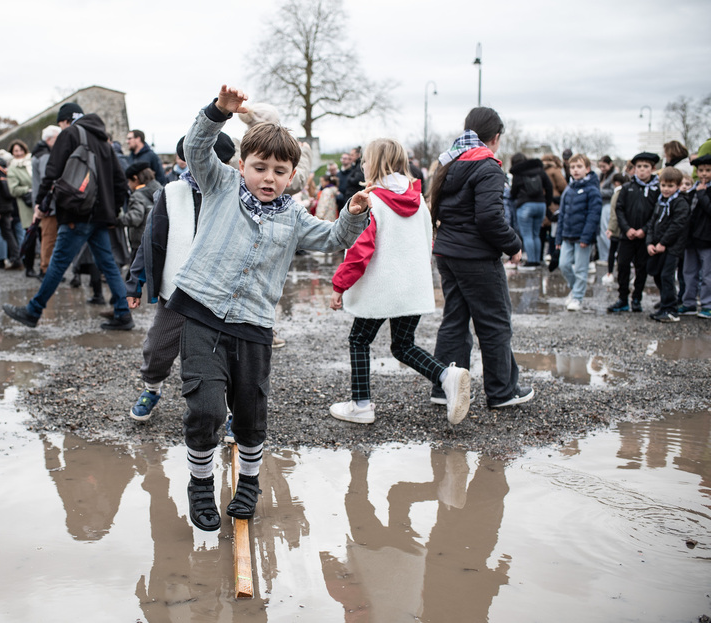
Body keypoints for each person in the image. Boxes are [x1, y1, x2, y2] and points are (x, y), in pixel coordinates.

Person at [173, 85, 369, 532]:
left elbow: (334, 238)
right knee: (204, 408)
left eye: (279, 171)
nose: (267, 177)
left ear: (291, 175)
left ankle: (248, 483)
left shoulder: (295, 217)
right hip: (202, 313)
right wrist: (218, 112)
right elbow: (196, 146)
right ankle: (201, 484)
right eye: (259, 167)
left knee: (250, 413)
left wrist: (354, 213)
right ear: (241, 165)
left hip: (254, 326)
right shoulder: (219, 183)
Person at [327, 138, 471, 426]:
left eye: (365, 161)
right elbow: (427, 241)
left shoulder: (372, 201)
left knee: (359, 339)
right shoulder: (418, 200)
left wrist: (339, 285)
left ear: (375, 164)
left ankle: (361, 404)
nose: (363, 166)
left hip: (382, 288)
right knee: (403, 345)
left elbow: (360, 250)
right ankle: (446, 375)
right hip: (412, 287)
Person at [123, 132, 237, 421]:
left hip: (220, 293)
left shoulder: (237, 191)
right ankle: (152, 388)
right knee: (158, 346)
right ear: (186, 159)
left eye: (214, 160)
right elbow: (151, 240)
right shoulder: (171, 193)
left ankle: (227, 407)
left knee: (221, 354)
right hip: (177, 290)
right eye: (196, 158)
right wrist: (135, 283)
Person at [428, 107, 534, 409]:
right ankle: (502, 392)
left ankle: (442, 386)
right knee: (495, 322)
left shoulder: (448, 160)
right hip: (475, 257)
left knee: (455, 320)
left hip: (448, 252)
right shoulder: (487, 166)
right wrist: (514, 245)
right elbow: (489, 218)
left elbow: (436, 206)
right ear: (495, 137)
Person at [2, 102, 132, 330]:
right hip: (100, 215)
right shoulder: (104, 141)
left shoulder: (69, 134)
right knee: (108, 265)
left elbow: (52, 172)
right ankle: (123, 313)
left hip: (76, 211)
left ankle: (33, 311)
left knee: (58, 263)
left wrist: (41, 204)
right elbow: (120, 181)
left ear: (64, 121)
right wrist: (113, 211)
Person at [609, 152, 660, 313]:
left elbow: (656, 213)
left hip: (644, 237)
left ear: (652, 168)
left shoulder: (657, 189)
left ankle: (637, 297)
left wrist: (644, 230)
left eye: (646, 167)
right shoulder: (627, 188)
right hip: (627, 235)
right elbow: (619, 209)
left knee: (641, 268)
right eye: (639, 166)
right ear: (634, 168)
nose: (642, 170)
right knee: (623, 265)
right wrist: (627, 229)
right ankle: (622, 298)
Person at [555, 154, 602, 311]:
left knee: (581, 269)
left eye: (579, 167)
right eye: (573, 167)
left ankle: (577, 297)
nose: (575, 170)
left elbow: (594, 215)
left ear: (587, 169)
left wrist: (587, 236)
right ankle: (575, 289)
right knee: (564, 265)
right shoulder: (568, 190)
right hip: (567, 236)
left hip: (582, 237)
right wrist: (558, 238)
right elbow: (562, 215)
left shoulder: (592, 190)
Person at [646, 167, 690, 322]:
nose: (666, 189)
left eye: (670, 186)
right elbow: (652, 223)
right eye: (663, 185)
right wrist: (650, 242)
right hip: (658, 245)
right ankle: (665, 305)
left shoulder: (680, 203)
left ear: (678, 186)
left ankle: (671, 310)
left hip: (672, 247)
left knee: (667, 276)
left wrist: (664, 242)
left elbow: (677, 226)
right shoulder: (661, 201)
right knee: (657, 274)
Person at [679, 154, 711, 318]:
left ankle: (707, 305)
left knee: (707, 275)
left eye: (708, 170)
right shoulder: (693, 189)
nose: (704, 174)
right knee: (689, 272)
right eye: (701, 170)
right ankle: (689, 303)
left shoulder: (702, 191)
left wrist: (702, 195)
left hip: (707, 239)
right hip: (691, 239)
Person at [509, 152, 553, 269]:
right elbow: (549, 187)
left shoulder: (518, 173)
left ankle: (531, 262)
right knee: (536, 234)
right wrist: (546, 202)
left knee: (527, 235)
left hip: (525, 205)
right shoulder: (539, 170)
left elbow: (513, 192)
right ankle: (537, 260)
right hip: (541, 205)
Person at [31, 125, 62, 278]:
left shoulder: (39, 153)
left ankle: (46, 267)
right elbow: (48, 178)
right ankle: (46, 269)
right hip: (48, 204)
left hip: (43, 202)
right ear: (49, 139)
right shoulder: (45, 156)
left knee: (47, 236)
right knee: (49, 237)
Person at [118, 161, 162, 264]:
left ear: (135, 178)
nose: (129, 185)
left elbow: (136, 217)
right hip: (157, 240)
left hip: (139, 243)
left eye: (129, 181)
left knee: (133, 277)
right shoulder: (161, 191)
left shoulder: (138, 195)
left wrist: (118, 221)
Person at [596, 155, 617, 262]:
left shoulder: (613, 176)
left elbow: (613, 191)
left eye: (604, 166)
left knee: (605, 230)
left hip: (608, 205)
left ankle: (610, 255)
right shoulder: (602, 175)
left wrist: (598, 192)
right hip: (602, 204)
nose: (602, 169)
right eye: (600, 166)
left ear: (610, 164)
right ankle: (604, 256)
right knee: (600, 232)